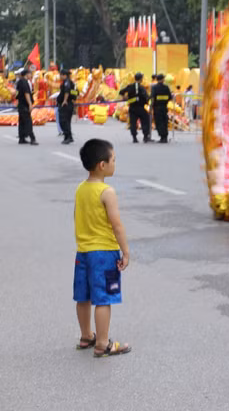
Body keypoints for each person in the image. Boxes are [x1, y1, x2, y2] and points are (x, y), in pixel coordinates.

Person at [73, 139, 132, 358]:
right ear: (102, 165)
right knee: (104, 298)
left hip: (84, 252)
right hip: (105, 253)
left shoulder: (81, 189)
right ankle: (103, 343)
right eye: (113, 159)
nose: (115, 163)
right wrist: (125, 251)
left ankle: (86, 335)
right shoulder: (107, 192)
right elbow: (116, 224)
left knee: (83, 296)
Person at [119, 73, 152, 143]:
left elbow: (121, 92)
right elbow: (146, 97)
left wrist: (125, 97)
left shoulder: (130, 86)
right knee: (145, 120)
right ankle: (145, 137)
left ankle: (134, 138)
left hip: (132, 108)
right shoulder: (142, 88)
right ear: (141, 79)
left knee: (133, 122)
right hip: (140, 107)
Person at [16, 67, 37, 145]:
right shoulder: (24, 82)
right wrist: (30, 104)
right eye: (30, 74)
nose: (31, 75)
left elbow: (17, 93)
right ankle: (32, 138)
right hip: (25, 105)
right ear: (26, 74)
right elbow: (26, 93)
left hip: (20, 104)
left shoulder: (19, 82)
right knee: (28, 122)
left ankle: (22, 138)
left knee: (22, 122)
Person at [150, 74, 172, 144]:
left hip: (157, 107)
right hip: (164, 107)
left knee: (159, 122)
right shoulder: (166, 87)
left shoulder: (154, 87)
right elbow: (170, 97)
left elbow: (153, 97)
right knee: (164, 121)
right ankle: (165, 137)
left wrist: (151, 106)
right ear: (162, 79)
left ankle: (162, 137)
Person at [58, 69, 77, 145]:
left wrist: (65, 100)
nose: (60, 76)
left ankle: (68, 136)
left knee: (63, 121)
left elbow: (67, 91)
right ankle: (68, 136)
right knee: (67, 121)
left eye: (60, 75)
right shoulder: (71, 82)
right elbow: (74, 92)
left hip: (65, 104)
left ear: (64, 75)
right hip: (69, 104)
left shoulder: (67, 82)